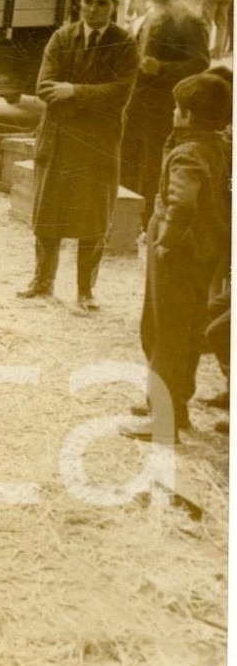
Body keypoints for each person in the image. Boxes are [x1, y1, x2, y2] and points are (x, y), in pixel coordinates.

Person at [17, 0, 139, 310]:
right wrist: (88, 99)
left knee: (93, 220)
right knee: (48, 214)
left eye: (101, 3)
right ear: (79, 1)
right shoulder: (62, 38)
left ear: (114, 5)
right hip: (58, 141)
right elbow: (44, 87)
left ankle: (86, 290)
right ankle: (42, 280)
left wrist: (72, 91)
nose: (92, 9)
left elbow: (120, 93)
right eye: (87, 1)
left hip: (97, 146)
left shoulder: (125, 45)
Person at [122, 74, 232, 445]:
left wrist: (165, 242)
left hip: (177, 254)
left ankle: (163, 420)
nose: (172, 112)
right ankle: (175, 407)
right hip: (203, 253)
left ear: (186, 115)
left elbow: (182, 203)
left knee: (162, 331)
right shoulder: (219, 146)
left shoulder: (188, 153)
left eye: (176, 107)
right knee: (186, 330)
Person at [121, 0, 210, 222]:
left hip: (163, 107)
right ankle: (127, 219)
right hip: (136, 103)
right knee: (128, 159)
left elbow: (201, 63)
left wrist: (161, 68)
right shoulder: (149, 15)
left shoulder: (189, 21)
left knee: (152, 165)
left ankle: (148, 220)